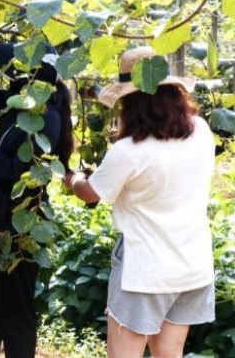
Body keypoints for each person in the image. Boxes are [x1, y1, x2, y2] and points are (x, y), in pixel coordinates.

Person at [63, 46, 215, 358]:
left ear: (130, 103)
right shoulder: (200, 131)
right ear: (172, 92)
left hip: (145, 270)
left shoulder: (129, 151)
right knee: (169, 353)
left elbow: (90, 193)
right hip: (191, 265)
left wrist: (72, 178)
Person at [0, 42, 74, 358]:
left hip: (20, 233)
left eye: (17, 71)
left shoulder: (46, 118)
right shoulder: (21, 108)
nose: (10, 78)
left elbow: (13, 170)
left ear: (32, 77)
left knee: (15, 316)